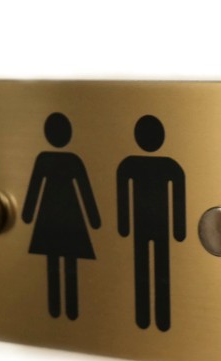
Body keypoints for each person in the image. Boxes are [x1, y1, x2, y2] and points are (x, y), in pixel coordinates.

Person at [22, 112, 101, 320]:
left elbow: (36, 189)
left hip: (52, 216)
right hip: (67, 216)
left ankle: (61, 310)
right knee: (65, 262)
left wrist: (28, 215)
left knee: (56, 262)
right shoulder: (69, 160)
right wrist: (94, 220)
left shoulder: (48, 159)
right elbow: (84, 191)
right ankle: (65, 311)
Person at [117, 115, 186, 331]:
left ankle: (151, 318)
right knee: (152, 270)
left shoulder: (130, 165)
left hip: (147, 226)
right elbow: (123, 196)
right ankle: (153, 319)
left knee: (149, 269)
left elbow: (178, 197)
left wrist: (124, 226)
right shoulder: (167, 166)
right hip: (156, 227)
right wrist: (179, 231)